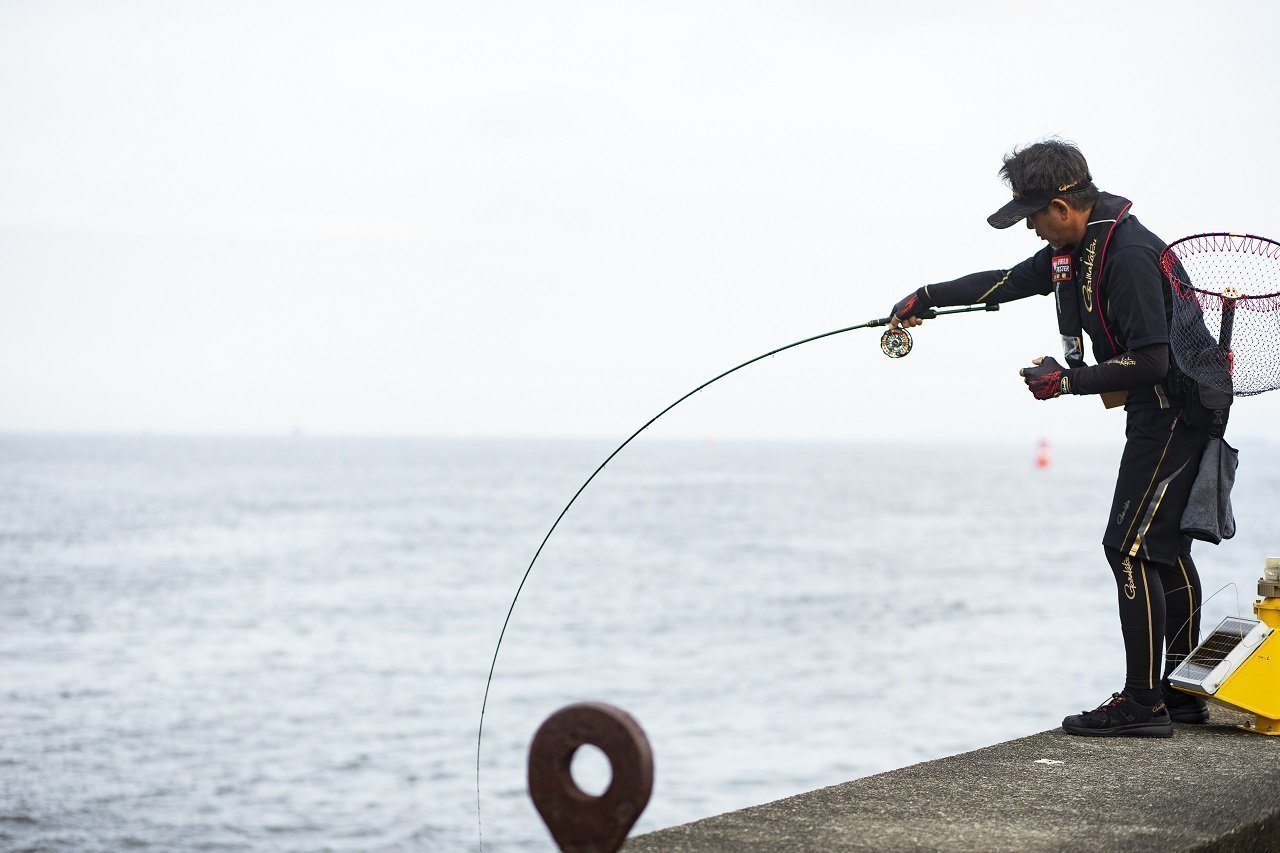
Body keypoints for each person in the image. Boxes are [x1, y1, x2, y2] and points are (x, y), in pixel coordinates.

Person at [888, 139, 1220, 737]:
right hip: (1166, 410)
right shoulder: (1078, 249)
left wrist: (1065, 382)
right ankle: (1182, 693)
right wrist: (928, 298)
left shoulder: (1130, 255)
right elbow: (1007, 282)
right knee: (1162, 545)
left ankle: (1144, 704)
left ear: (1064, 205)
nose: (1033, 231)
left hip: (1176, 410)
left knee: (1129, 547)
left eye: (1035, 217)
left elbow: (1149, 359)